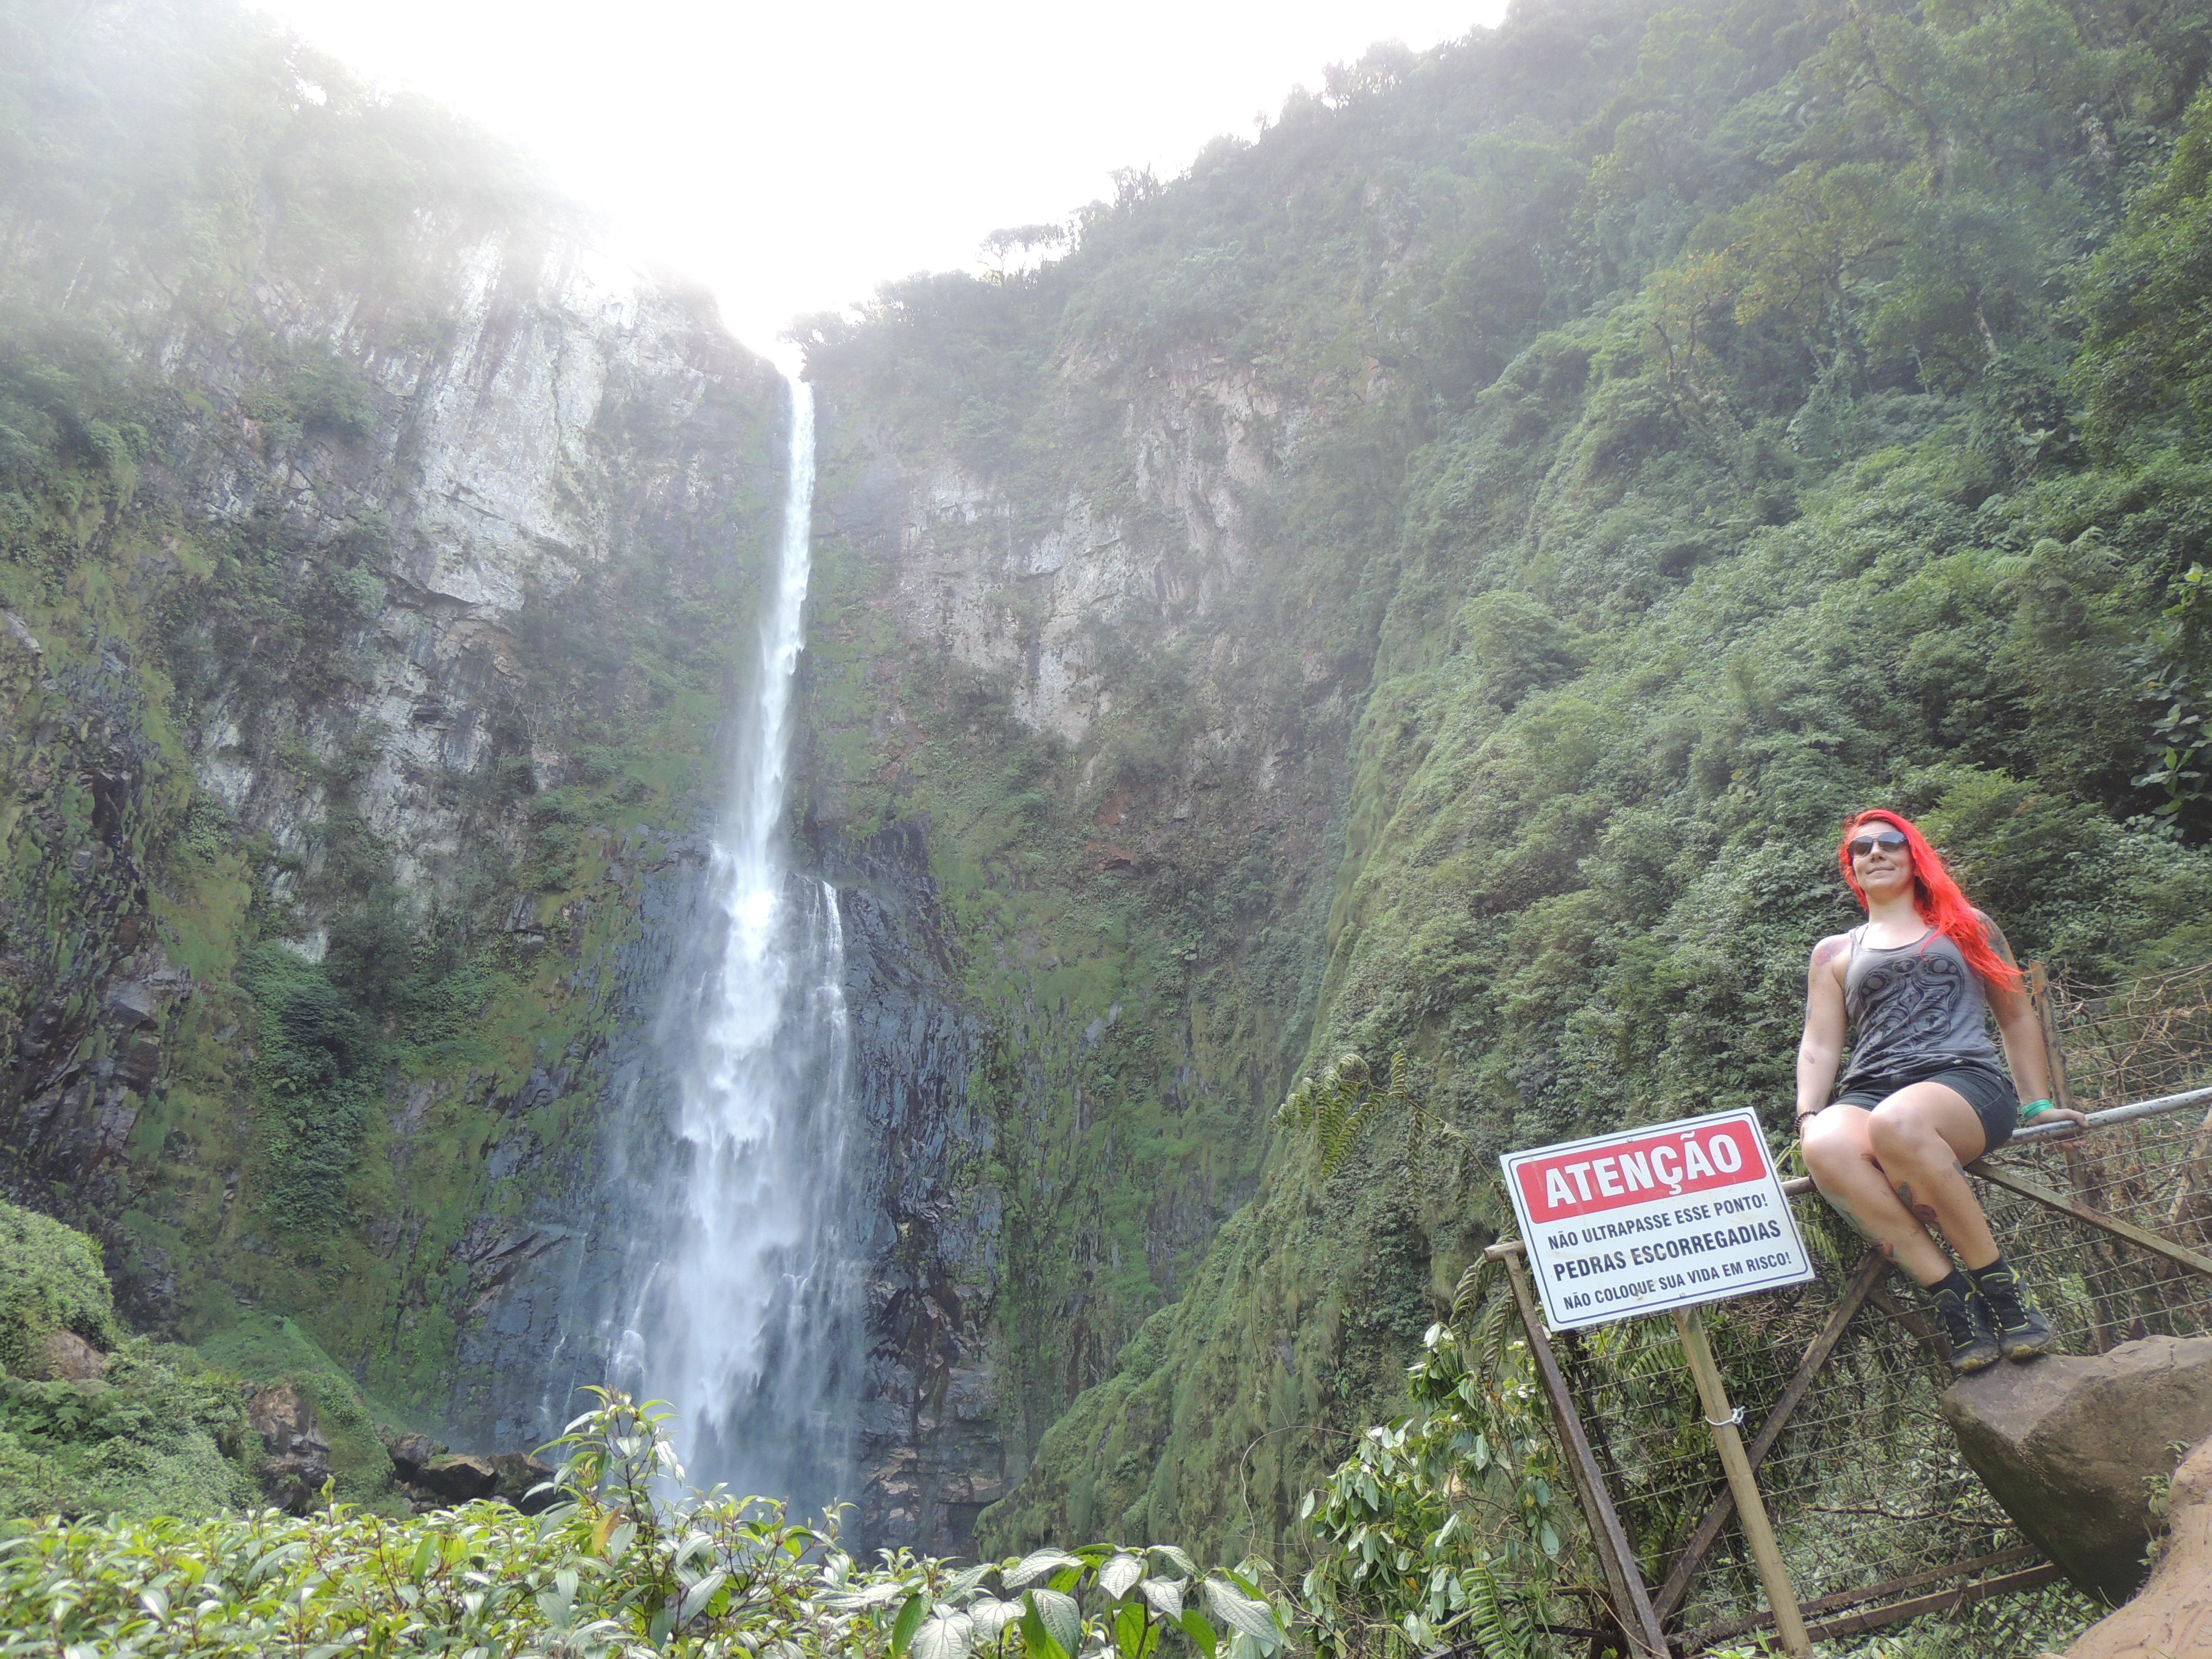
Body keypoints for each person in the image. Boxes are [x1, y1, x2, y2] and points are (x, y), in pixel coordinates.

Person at [1796, 809, 2086, 1373]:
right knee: (1825, 1145)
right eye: (1862, 849)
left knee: (1897, 1123)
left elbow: (2016, 1019)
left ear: (1913, 855)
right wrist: (1809, 1112)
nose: (1875, 853)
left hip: (1965, 1083)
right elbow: (1820, 1042)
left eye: (1889, 843)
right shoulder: (1834, 952)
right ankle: (1953, 1300)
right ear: (1851, 868)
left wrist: (2038, 1104)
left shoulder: (1967, 924)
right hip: (1871, 1087)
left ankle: (2005, 1293)